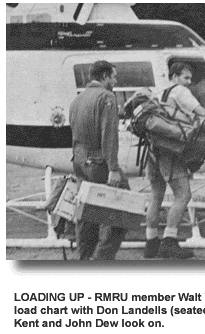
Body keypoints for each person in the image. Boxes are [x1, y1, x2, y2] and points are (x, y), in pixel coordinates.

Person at [144, 62, 205, 259]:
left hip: (153, 149)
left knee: (156, 195)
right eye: (185, 78)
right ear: (174, 76)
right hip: (170, 151)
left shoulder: (158, 92)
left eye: (190, 79)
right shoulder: (180, 91)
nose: (188, 83)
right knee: (183, 195)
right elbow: (202, 113)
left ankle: (151, 243)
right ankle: (169, 241)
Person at [69, 60, 130, 260]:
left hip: (80, 163)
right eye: (113, 76)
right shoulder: (107, 97)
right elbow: (109, 135)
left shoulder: (77, 100)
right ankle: (102, 259)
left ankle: (84, 258)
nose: (115, 80)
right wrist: (113, 168)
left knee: (86, 214)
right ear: (104, 76)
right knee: (123, 213)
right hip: (100, 164)